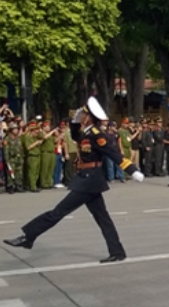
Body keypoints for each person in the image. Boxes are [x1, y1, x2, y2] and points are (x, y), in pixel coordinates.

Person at [2, 97, 145, 263]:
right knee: (103, 218)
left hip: (88, 181)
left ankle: (28, 236)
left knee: (58, 212)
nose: (81, 116)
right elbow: (76, 135)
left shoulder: (97, 135)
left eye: (84, 114)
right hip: (88, 180)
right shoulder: (87, 132)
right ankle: (117, 251)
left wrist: (132, 170)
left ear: (90, 117)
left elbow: (113, 153)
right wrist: (76, 119)